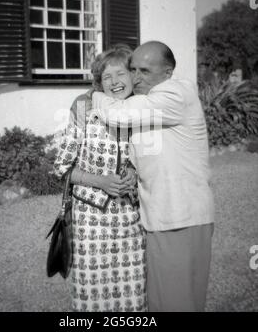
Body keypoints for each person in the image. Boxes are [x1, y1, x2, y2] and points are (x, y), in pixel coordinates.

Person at [92, 41, 215, 312]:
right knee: (171, 303)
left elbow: (117, 114)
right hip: (166, 218)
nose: (136, 77)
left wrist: (95, 94)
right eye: (132, 69)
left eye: (145, 71)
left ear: (167, 72)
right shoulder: (149, 102)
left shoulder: (174, 94)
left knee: (175, 304)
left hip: (179, 218)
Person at [53, 46, 148, 312]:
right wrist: (101, 181)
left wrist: (134, 172)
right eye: (108, 77)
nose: (115, 82)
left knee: (132, 294)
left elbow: (150, 160)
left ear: (132, 76)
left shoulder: (141, 112)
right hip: (90, 224)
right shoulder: (85, 110)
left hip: (131, 221)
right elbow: (62, 167)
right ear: (99, 81)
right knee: (92, 297)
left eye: (121, 74)